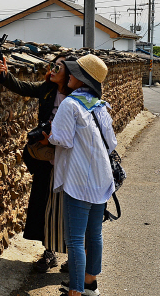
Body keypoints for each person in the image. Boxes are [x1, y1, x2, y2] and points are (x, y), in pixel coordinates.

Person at [0, 54, 73, 272]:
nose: (54, 69)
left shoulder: (78, 94)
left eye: (59, 66)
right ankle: (49, 252)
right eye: (53, 65)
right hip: (47, 157)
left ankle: (72, 256)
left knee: (67, 207)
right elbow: (22, 87)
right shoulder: (47, 88)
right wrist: (4, 74)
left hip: (69, 158)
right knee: (45, 204)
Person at [47, 54, 115, 296]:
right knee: (94, 234)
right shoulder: (100, 105)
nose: (71, 75)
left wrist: (49, 136)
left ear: (81, 79)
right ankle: (89, 285)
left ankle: (75, 292)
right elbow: (112, 143)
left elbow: (62, 139)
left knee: (75, 239)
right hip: (101, 178)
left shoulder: (70, 105)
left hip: (78, 181)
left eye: (75, 72)